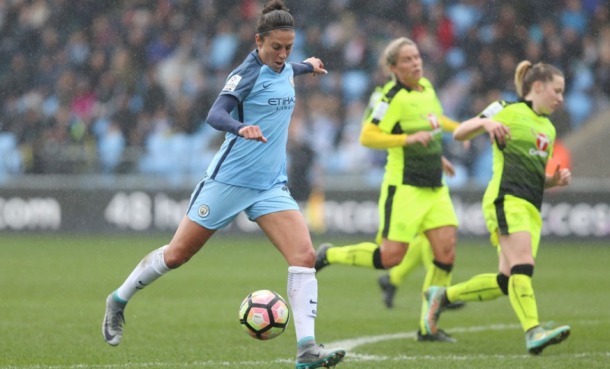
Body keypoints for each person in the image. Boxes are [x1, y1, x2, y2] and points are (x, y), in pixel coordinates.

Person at [102, 2, 346, 368]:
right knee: (177, 255)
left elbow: (286, 72)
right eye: (276, 47)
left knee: (304, 257)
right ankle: (118, 300)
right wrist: (239, 127)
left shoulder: (285, 67)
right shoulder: (246, 72)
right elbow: (215, 113)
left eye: (289, 47)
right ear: (258, 41)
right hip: (228, 181)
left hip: (269, 185)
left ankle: (307, 349)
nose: (282, 55)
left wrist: (307, 66)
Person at [315, 37, 461, 342]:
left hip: (435, 185)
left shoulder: (428, 89)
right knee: (391, 257)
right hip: (404, 185)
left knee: (445, 251)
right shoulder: (389, 97)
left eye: (417, 56)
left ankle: (428, 325)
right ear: (393, 67)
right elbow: (367, 136)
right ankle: (330, 254)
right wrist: (407, 140)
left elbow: (433, 123)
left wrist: (449, 143)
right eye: (407, 59)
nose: (416, 62)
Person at [424, 60, 571, 355]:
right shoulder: (504, 107)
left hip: (530, 205)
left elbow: (533, 175)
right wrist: (486, 122)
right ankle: (533, 331)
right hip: (505, 199)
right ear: (538, 87)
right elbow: (460, 132)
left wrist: (551, 181)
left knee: (507, 279)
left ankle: (443, 296)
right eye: (557, 90)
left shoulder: (549, 129)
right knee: (523, 265)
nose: (561, 98)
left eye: (563, 92)